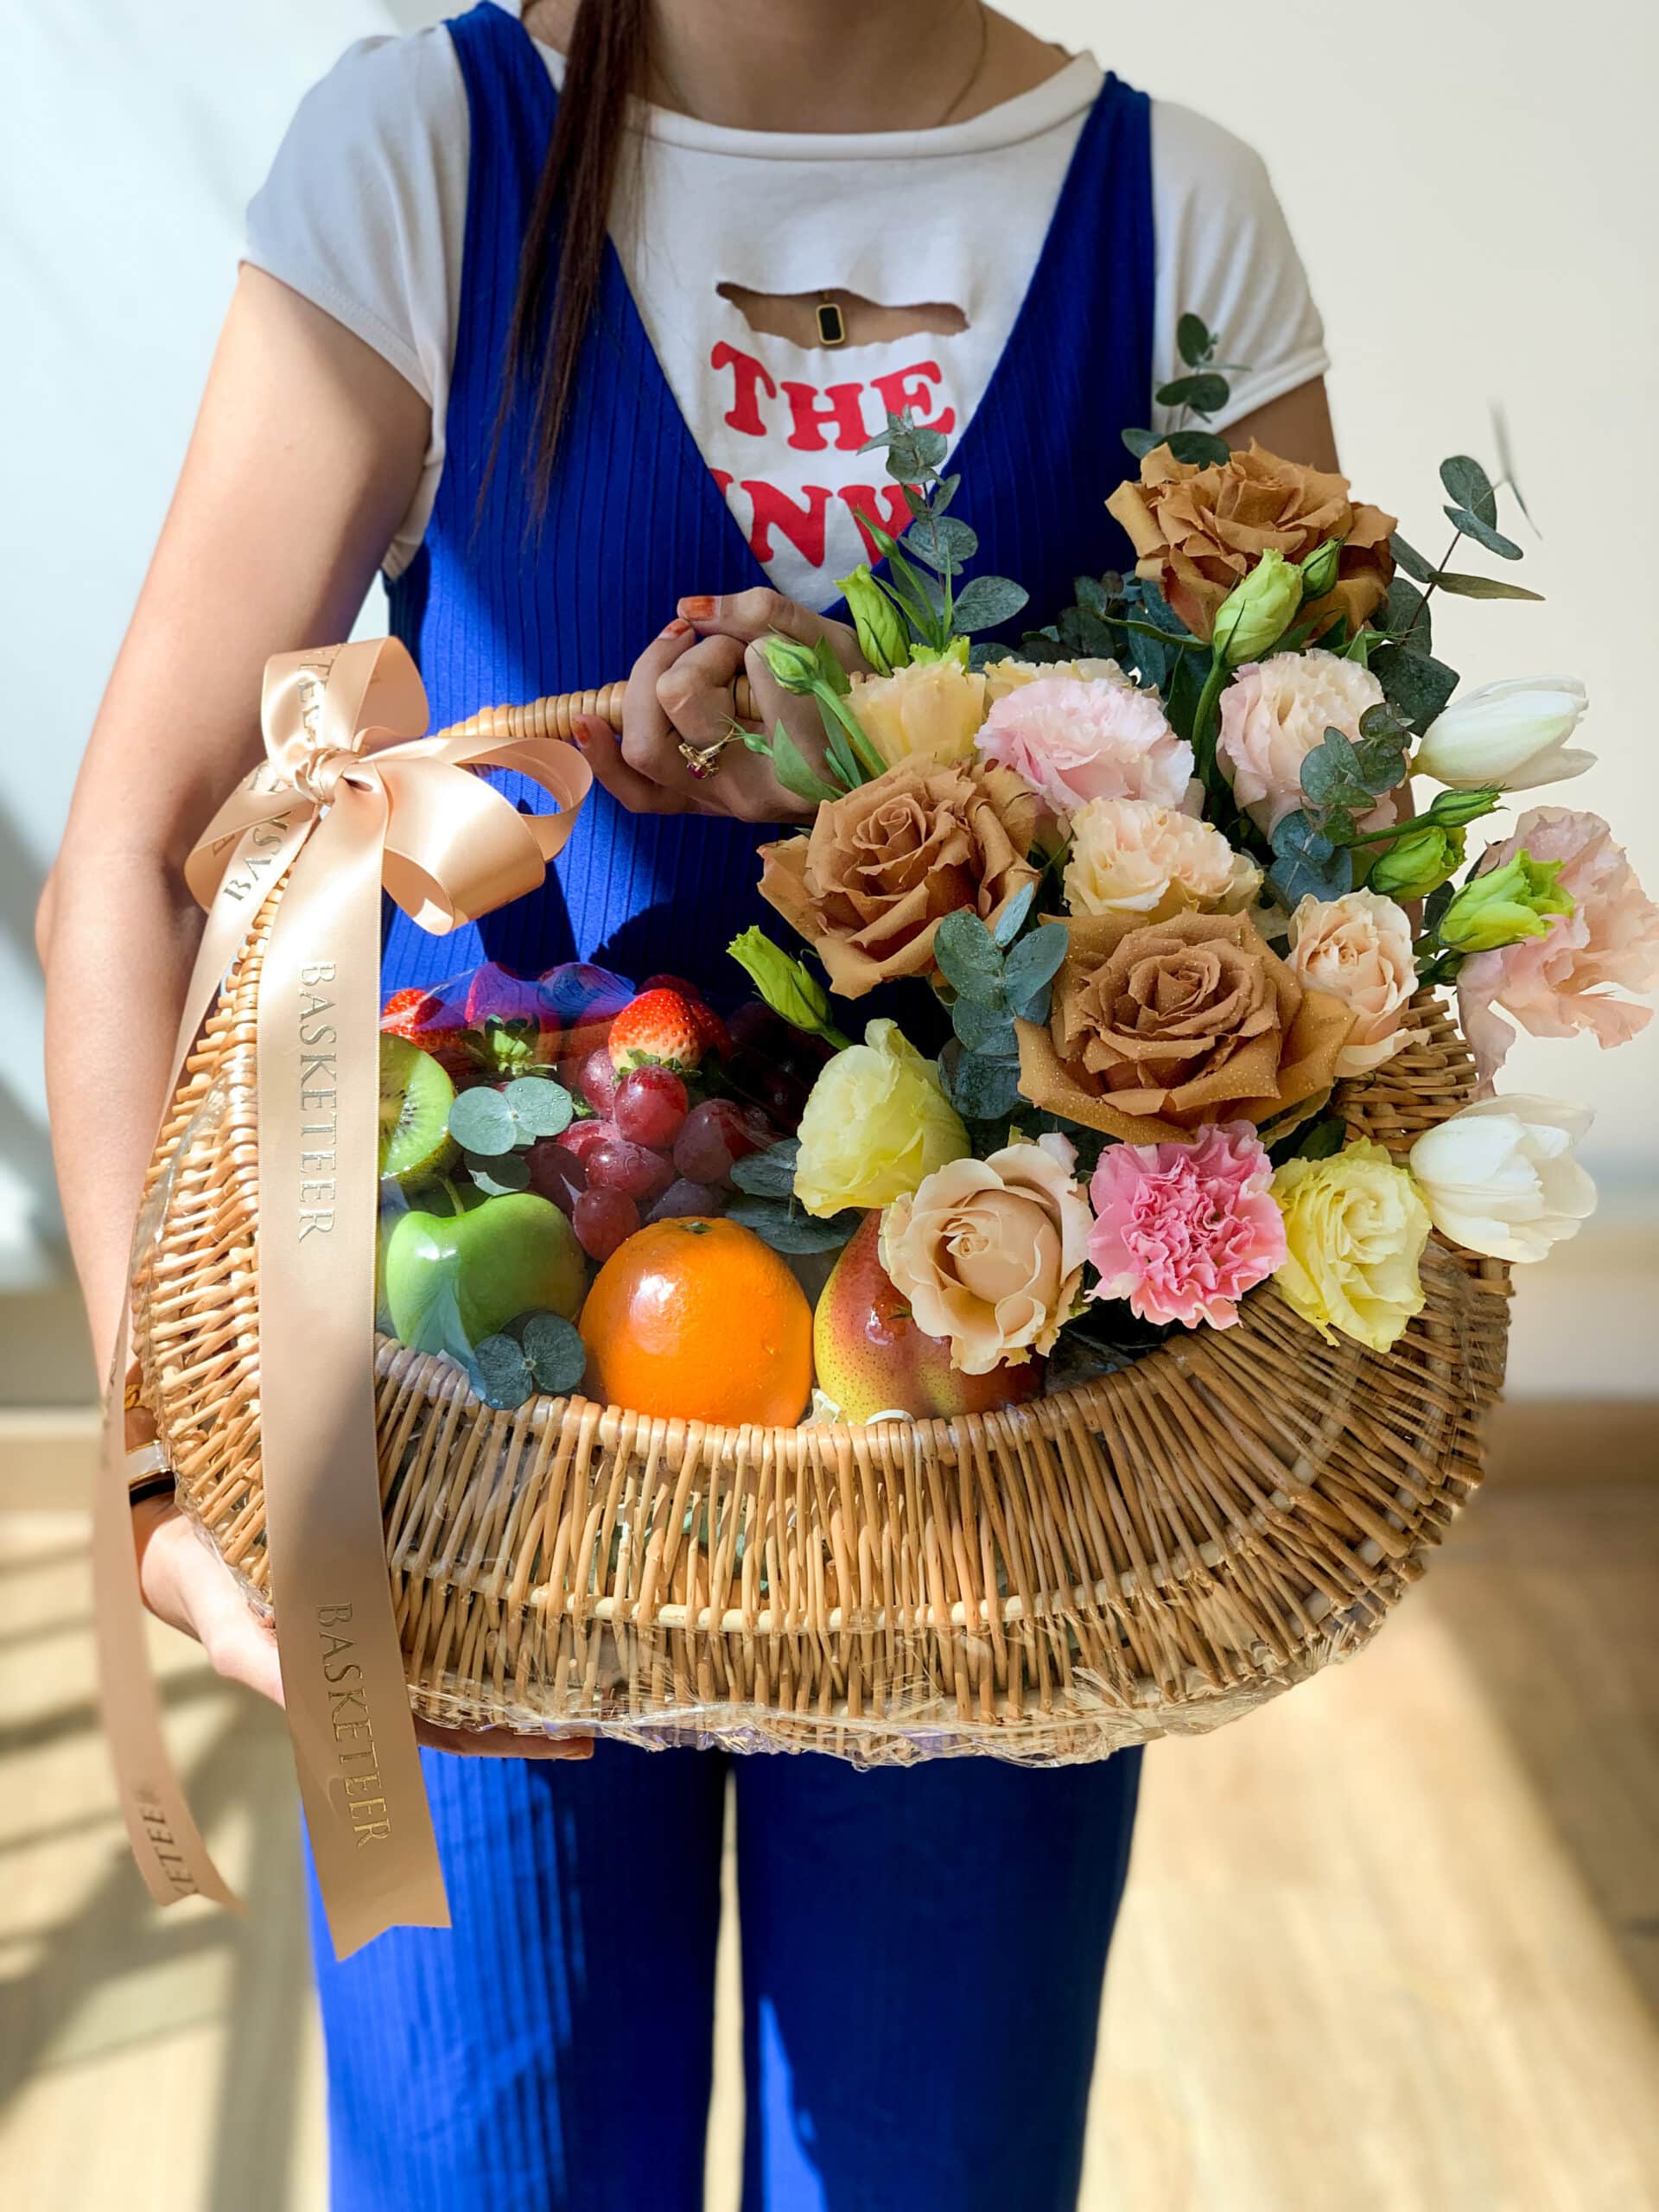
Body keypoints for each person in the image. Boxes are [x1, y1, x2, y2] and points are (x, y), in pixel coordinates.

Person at [39, 3, 1338, 2204]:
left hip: (987, 1497)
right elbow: (128, 871)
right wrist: (166, 1474)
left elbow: (1296, 926)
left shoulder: (1176, 215)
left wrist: (895, 783)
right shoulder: (429, 153)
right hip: (468, 1476)